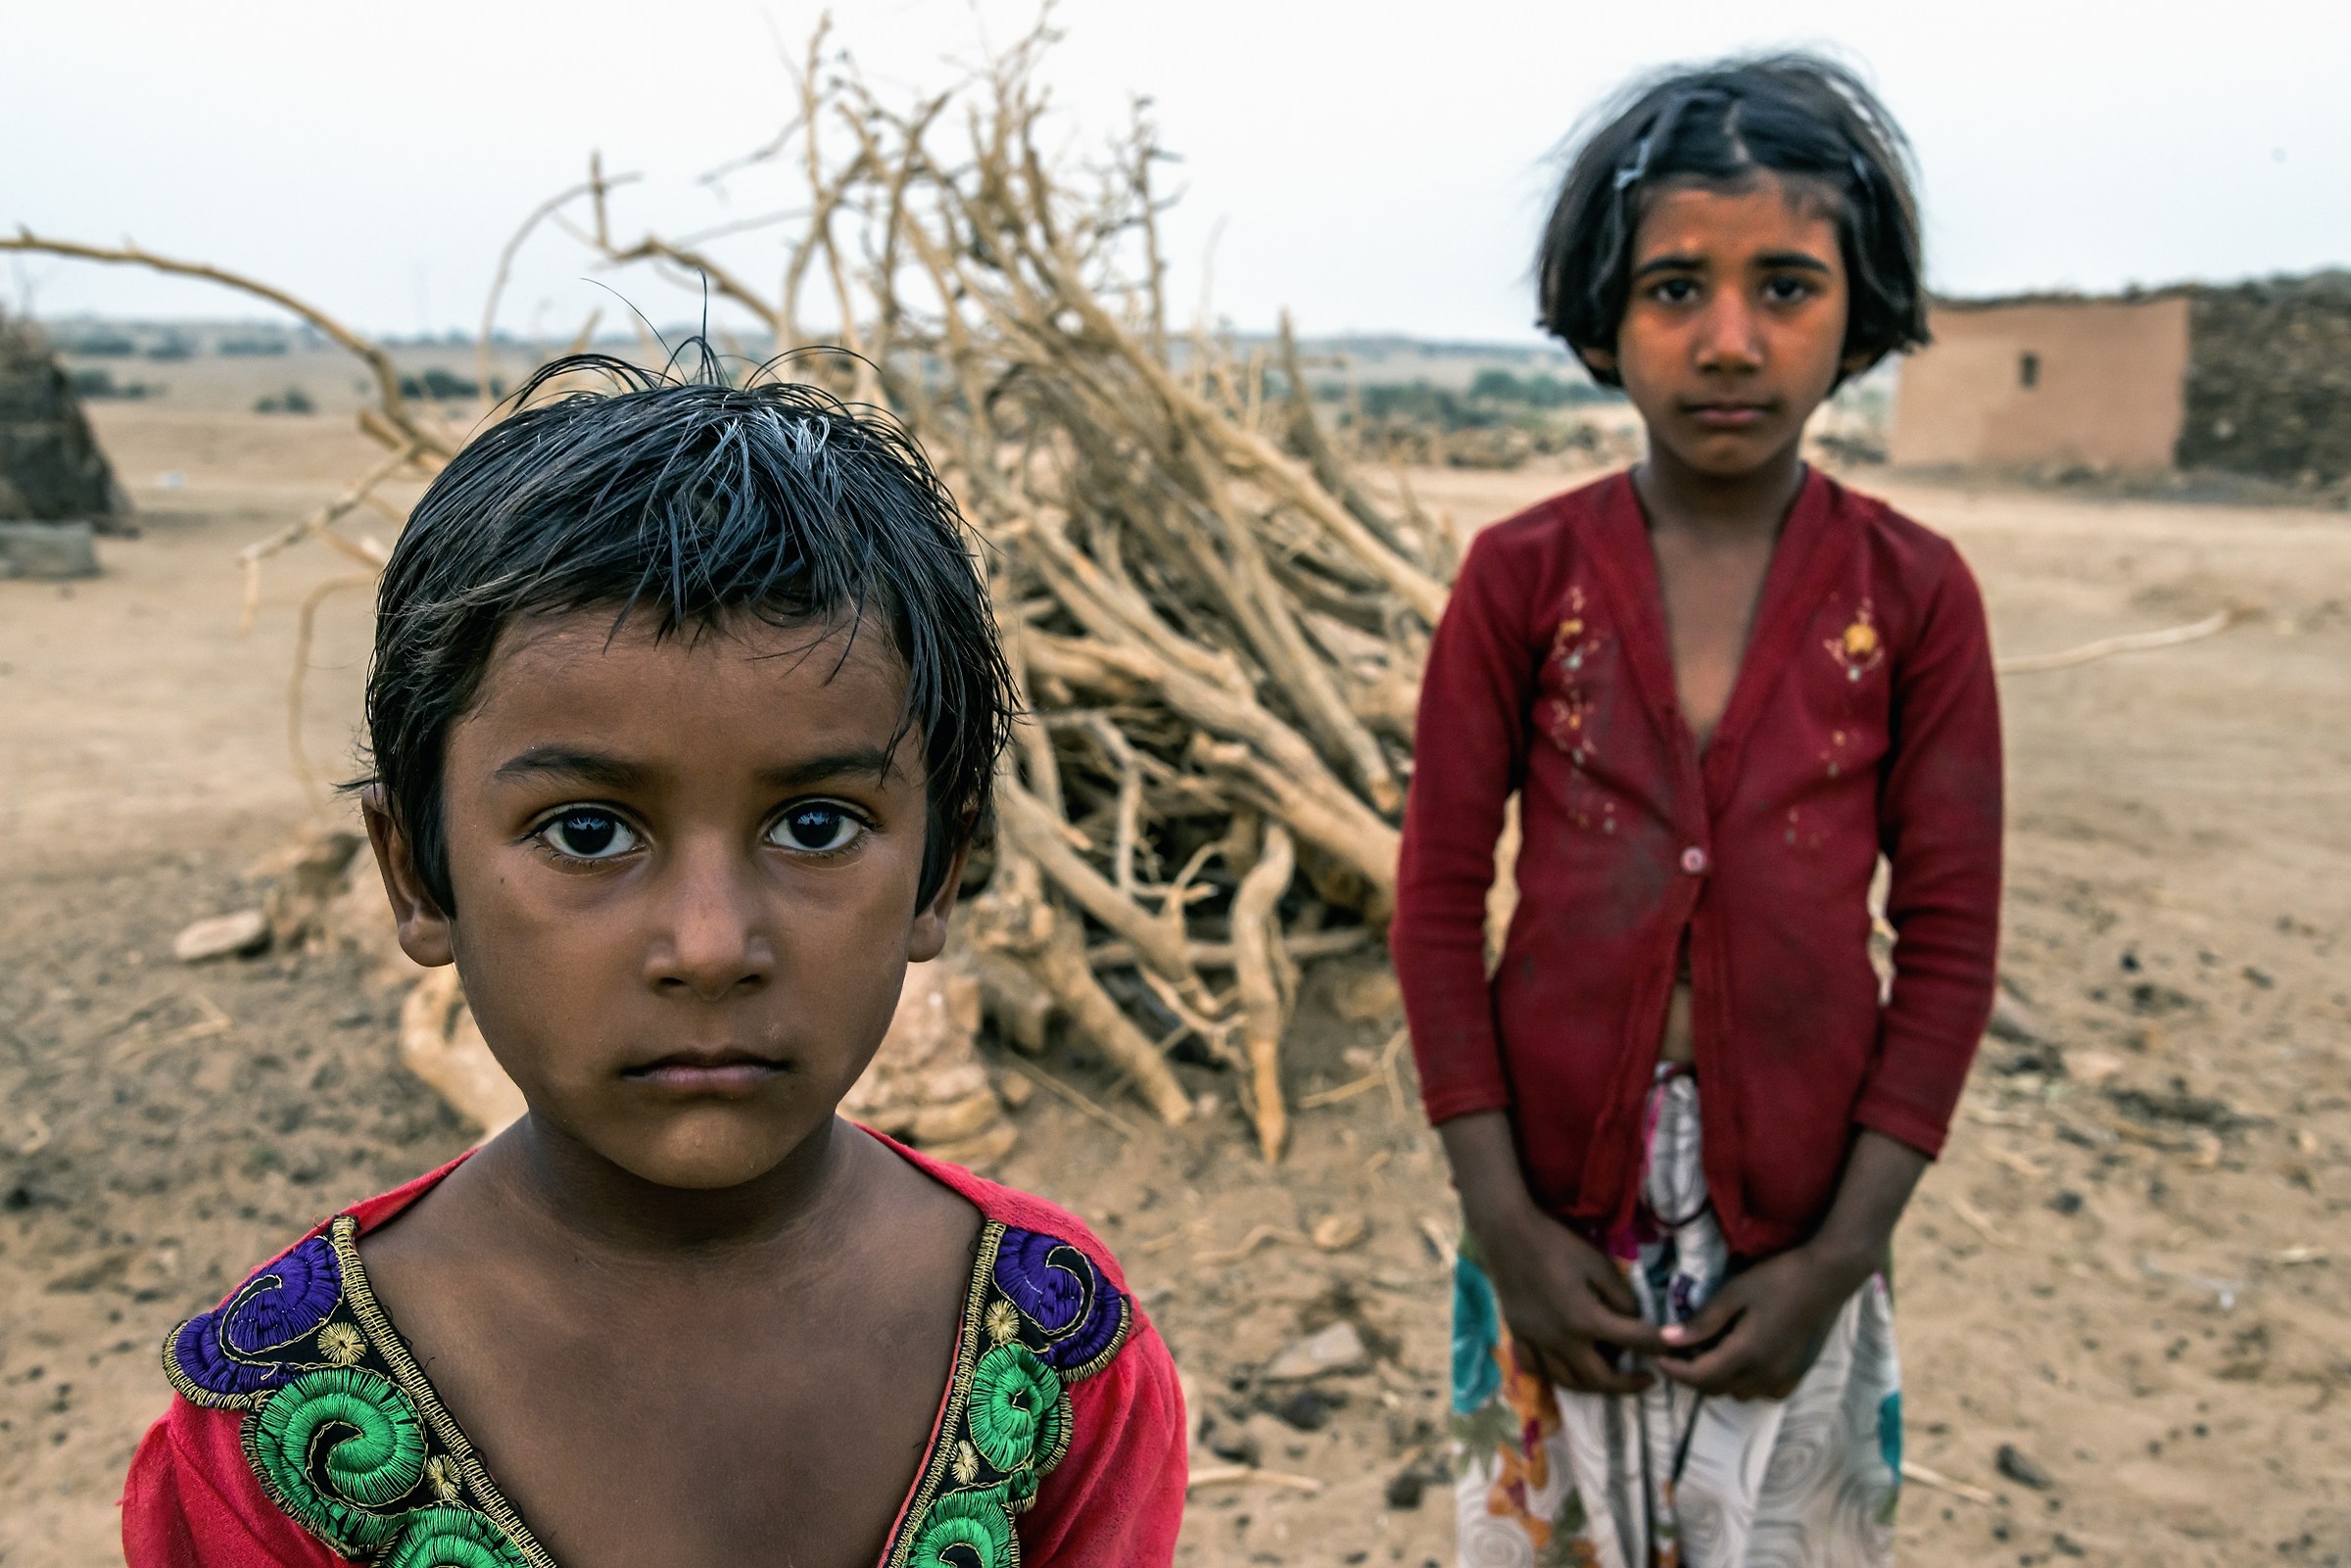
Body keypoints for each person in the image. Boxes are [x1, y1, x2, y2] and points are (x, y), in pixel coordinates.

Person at [121, 358, 1187, 1568]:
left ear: (941, 870)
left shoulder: (1052, 1349)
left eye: (817, 823)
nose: (712, 945)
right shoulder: (262, 1435)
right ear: (416, 871)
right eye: (588, 831)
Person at [1393, 57, 2002, 1567]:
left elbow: (1948, 941)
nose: (1729, 340)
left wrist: (1841, 1255)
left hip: (1800, 1226)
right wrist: (1502, 1229)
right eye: (1676, 288)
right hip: (1554, 1221)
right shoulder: (1524, 580)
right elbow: (1435, 902)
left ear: (1859, 314)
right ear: (1605, 313)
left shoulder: (1913, 598)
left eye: (1785, 285)